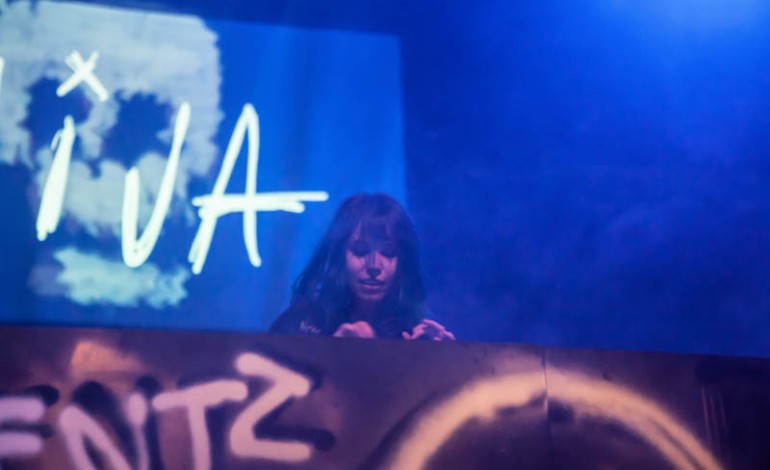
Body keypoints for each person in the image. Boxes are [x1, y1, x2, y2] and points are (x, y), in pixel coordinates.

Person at [269, 193, 454, 340]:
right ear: (339, 256)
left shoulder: (414, 330)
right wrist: (331, 351)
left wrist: (442, 362)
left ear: (403, 261)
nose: (374, 266)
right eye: (360, 250)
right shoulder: (302, 319)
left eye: (388, 252)